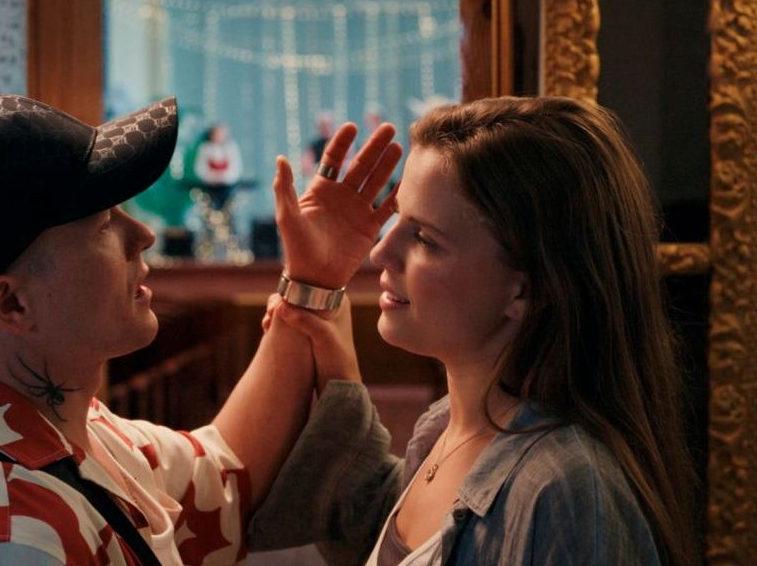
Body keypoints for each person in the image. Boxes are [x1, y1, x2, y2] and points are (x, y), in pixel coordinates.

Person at [0, 94, 401, 565]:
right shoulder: (7, 535)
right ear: (13, 303)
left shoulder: (45, 429)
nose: (142, 234)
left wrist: (311, 278)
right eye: (104, 224)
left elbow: (223, 483)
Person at [249, 96, 698, 565]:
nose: (380, 253)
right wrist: (316, 287)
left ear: (523, 290)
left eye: (425, 238)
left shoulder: (564, 494)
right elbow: (381, 529)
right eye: (396, 219)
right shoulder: (445, 428)